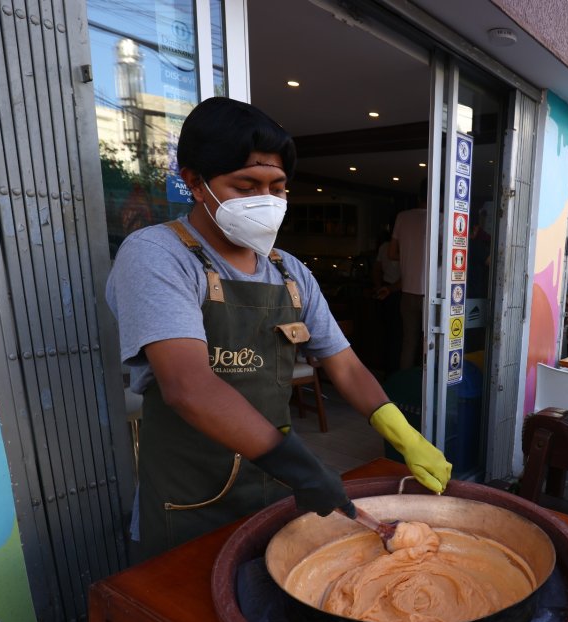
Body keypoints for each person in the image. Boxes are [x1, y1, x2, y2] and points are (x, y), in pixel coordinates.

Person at [105, 98, 452, 559]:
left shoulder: (288, 271)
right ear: (195, 182)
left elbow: (345, 366)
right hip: (189, 494)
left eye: (277, 187)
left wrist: (404, 434)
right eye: (246, 185)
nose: (265, 200)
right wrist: (299, 464)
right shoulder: (156, 255)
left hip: (273, 480)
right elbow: (188, 386)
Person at [389, 181, 428, 370]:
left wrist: (410, 257)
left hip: (407, 292)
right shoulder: (442, 218)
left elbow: (391, 253)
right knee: (430, 342)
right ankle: (425, 384)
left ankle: (404, 381)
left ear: (419, 197)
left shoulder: (402, 217)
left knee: (409, 341)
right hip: (431, 294)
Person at [372, 232, 402, 374]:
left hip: (387, 290)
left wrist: (379, 287)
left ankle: (388, 370)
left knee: (388, 333)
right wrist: (382, 288)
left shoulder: (384, 246)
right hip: (395, 292)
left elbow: (376, 269)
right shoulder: (403, 247)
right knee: (396, 334)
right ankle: (393, 371)